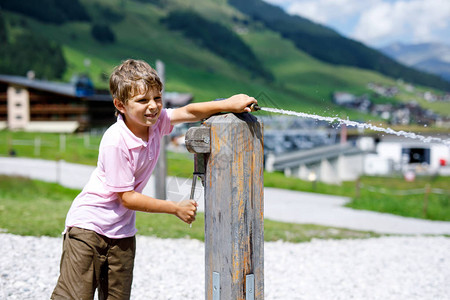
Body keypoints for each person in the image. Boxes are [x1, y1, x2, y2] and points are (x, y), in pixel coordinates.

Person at [51, 59, 257, 300]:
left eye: (157, 98)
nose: (153, 106)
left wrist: (229, 104)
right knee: (74, 296)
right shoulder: (116, 140)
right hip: (88, 228)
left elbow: (189, 111)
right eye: (142, 100)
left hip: (122, 232)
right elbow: (127, 198)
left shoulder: (157, 124)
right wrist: (175, 208)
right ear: (120, 105)